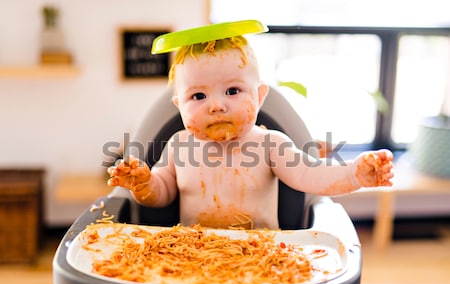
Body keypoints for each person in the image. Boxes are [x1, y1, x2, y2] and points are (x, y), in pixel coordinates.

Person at [107, 22, 394, 230]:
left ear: (259, 97)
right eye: (198, 96)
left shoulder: (270, 145)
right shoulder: (179, 146)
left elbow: (311, 176)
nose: (216, 105)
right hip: (192, 255)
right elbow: (163, 191)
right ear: (179, 105)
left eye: (232, 91)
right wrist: (144, 184)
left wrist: (354, 174)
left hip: (263, 256)